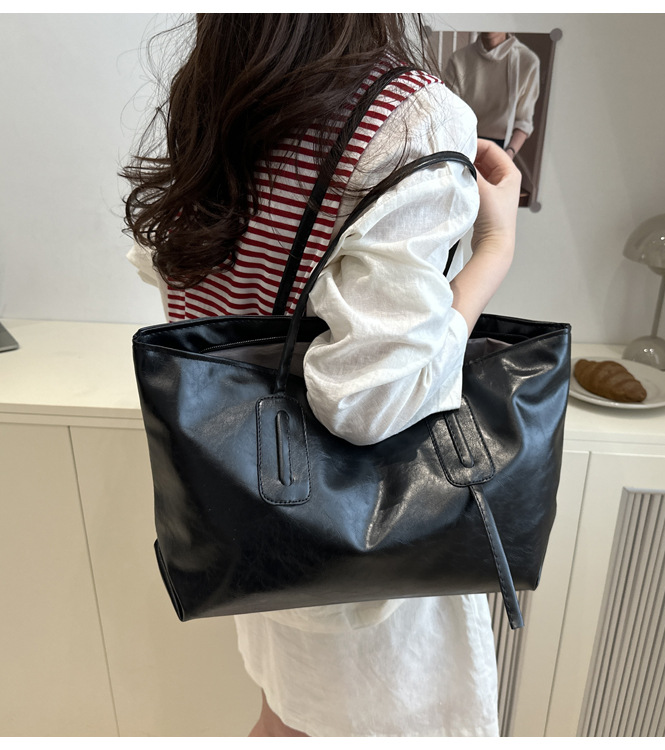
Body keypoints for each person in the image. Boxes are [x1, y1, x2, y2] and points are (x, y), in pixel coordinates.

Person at [122, 13, 521, 737]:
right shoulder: (409, 118)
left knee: (285, 719)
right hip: (367, 559)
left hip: (254, 513)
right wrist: (493, 248)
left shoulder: (217, 91)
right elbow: (369, 401)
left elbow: (200, 308)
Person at [444, 31, 540, 160]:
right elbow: (451, 115)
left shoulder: (527, 61)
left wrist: (509, 153)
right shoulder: (458, 59)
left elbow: (523, 121)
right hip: (464, 142)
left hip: (503, 147)